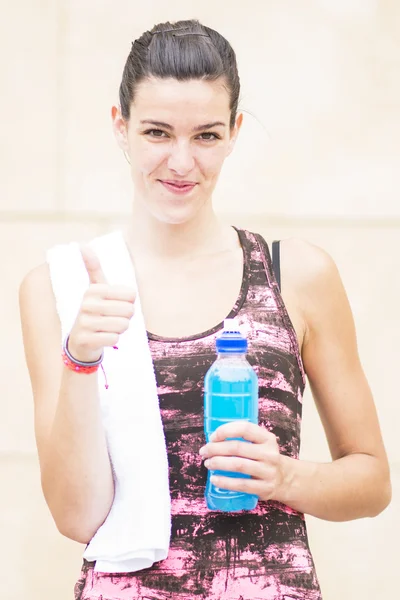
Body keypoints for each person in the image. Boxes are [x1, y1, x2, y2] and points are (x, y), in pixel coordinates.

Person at [19, 19, 391, 600]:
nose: (181, 162)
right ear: (121, 127)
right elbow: (75, 517)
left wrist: (286, 477)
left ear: (235, 131)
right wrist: (80, 359)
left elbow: (371, 480)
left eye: (207, 136)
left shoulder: (294, 274)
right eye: (157, 132)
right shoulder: (62, 287)